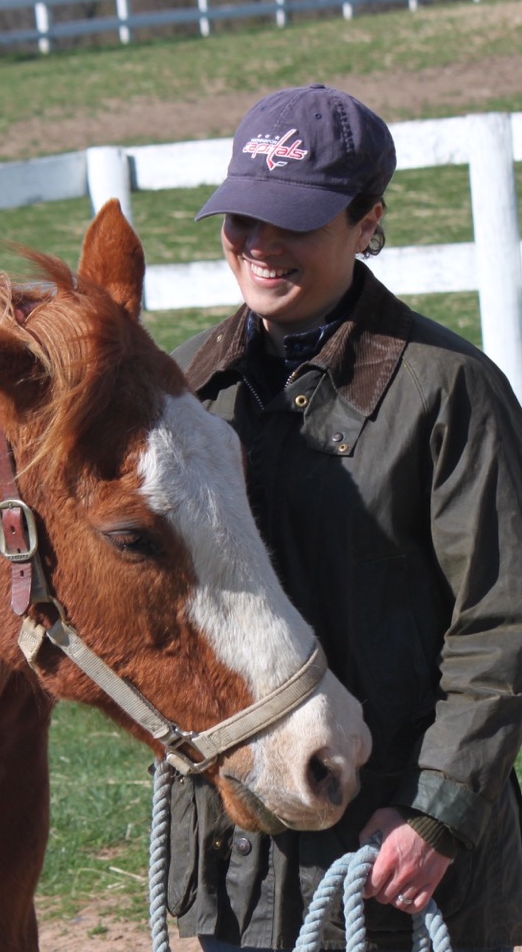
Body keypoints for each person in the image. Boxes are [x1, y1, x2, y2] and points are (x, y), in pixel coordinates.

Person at [166, 83, 522, 951]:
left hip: (392, 854)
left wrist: (440, 815)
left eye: (294, 220)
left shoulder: (452, 393)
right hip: (233, 857)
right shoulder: (184, 392)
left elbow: (502, 619)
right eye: (244, 216)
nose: (260, 244)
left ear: (368, 223)